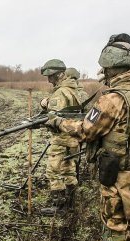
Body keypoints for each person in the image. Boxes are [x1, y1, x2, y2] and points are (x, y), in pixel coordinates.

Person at [45, 34, 130, 241]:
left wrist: (58, 123)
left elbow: (86, 131)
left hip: (118, 173)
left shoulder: (113, 98)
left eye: (105, 69)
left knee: (115, 223)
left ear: (111, 68)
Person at [39, 59, 82, 215]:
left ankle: (59, 206)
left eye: (51, 76)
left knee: (54, 171)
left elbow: (54, 118)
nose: (49, 79)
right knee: (69, 171)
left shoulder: (60, 93)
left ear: (59, 75)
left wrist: (45, 121)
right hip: (73, 138)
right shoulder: (74, 90)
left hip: (61, 138)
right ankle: (70, 204)